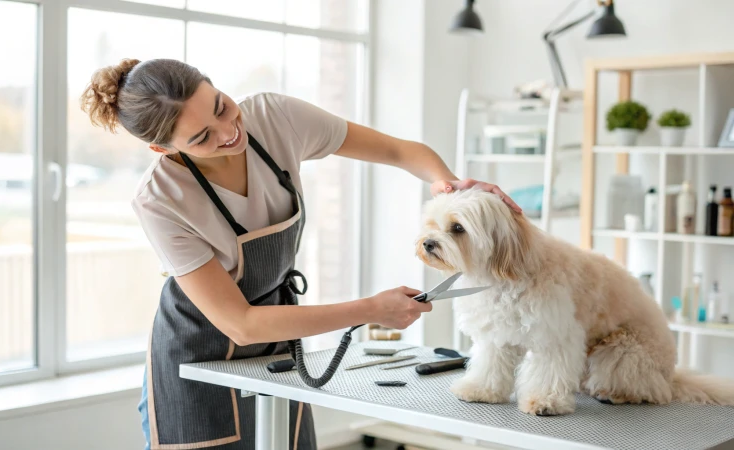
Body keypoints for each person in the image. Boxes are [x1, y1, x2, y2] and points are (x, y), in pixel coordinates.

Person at [80, 58, 521, 450]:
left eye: (221, 106)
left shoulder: (274, 117)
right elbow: (240, 323)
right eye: (202, 137)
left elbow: (399, 151)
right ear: (164, 149)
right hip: (197, 353)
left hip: (276, 329)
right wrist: (369, 309)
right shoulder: (160, 200)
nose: (230, 132)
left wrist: (451, 190)